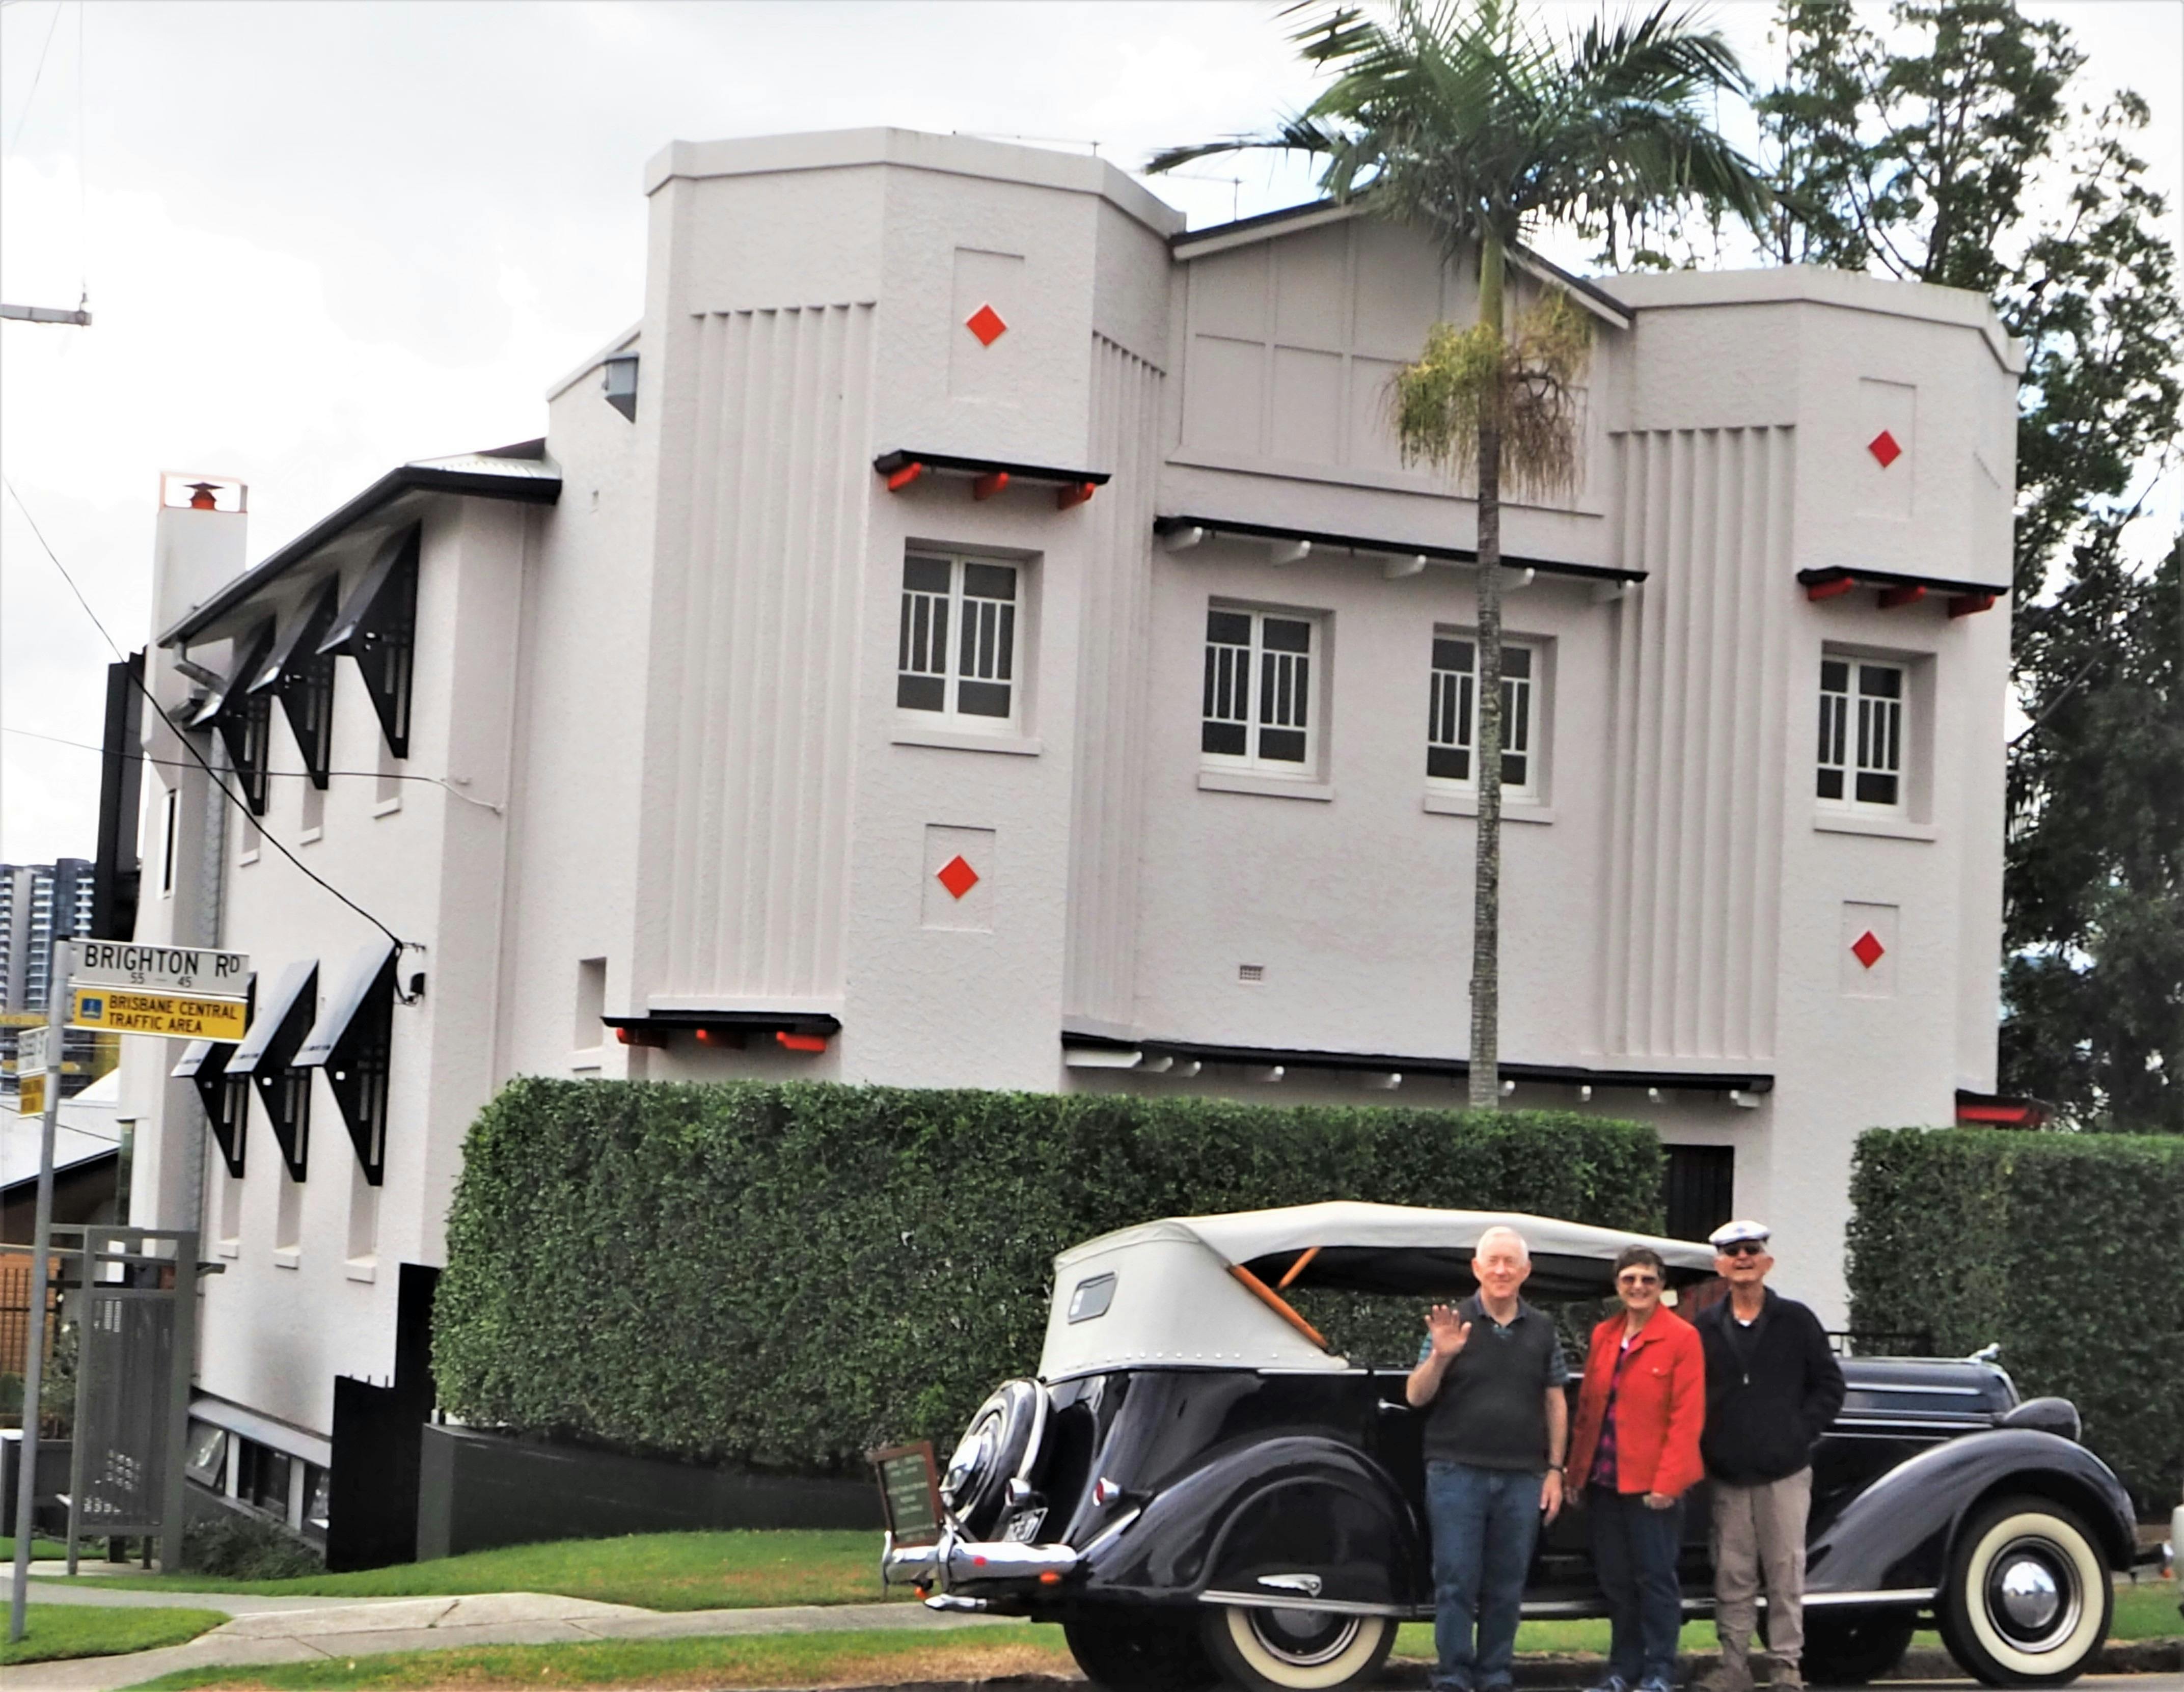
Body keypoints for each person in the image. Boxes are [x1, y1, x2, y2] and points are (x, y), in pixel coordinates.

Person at [1407, 1224, 1570, 1692]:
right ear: (1476, 1268)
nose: (1501, 1270)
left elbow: (1555, 1400)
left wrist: (1555, 1470)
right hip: (1457, 1473)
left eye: (1510, 1263)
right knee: (1456, 1581)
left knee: (1507, 1586)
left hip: (1523, 1477)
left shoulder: (1542, 1328)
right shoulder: (1450, 1323)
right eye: (1492, 1261)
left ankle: (1496, 1674)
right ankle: (1454, 1675)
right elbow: (1416, 1396)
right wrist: (1440, 1357)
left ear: (1526, 1271)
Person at [1691, 1221, 1846, 1692]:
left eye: (1751, 1250)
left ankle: (1785, 1665)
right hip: (1728, 1472)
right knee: (1732, 1573)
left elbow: (1829, 1386)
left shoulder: (1797, 1321)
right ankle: (1734, 1665)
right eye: (1732, 1252)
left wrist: (1798, 1434)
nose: (1742, 1258)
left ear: (1767, 1261)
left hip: (1785, 1470)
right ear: (1719, 1265)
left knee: (1785, 1570)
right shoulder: (1702, 1328)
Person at [1566, 1244, 1706, 1692]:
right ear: (1617, 1286)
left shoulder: (1683, 1338)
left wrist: (1668, 1482)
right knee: (1617, 1583)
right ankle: (1622, 1671)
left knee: (1656, 1580)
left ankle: (1661, 1669)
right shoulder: (1605, 1335)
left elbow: (1687, 1417)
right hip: (1605, 1480)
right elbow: (1589, 1409)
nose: (1638, 1287)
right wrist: (1575, 1473)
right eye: (1630, 1279)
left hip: (1652, 1485)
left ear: (1661, 1285)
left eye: (1648, 1279)